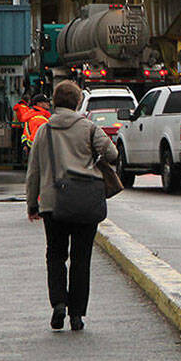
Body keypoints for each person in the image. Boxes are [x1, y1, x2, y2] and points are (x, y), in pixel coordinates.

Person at [25, 81, 118, 332]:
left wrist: (32, 203)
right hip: (85, 201)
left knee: (55, 255)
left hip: (53, 202)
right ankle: (77, 314)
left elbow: (33, 171)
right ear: (78, 102)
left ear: (55, 102)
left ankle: (58, 304)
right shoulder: (89, 128)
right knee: (81, 258)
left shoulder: (44, 130)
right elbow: (112, 154)